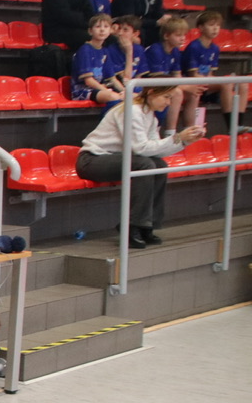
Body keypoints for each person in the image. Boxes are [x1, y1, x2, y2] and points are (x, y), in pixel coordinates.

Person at [75, 80, 203, 248]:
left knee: (159, 165)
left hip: (119, 159)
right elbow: (141, 148)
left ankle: (147, 225)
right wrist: (178, 137)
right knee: (145, 165)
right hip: (92, 160)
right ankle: (133, 225)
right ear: (151, 92)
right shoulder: (132, 111)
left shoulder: (150, 116)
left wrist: (184, 141)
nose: (168, 103)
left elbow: (156, 151)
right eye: (166, 97)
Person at [183, 10, 250, 131]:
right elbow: (193, 75)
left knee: (243, 85)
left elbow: (210, 74)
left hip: (206, 83)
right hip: (192, 83)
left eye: (218, 25)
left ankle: (238, 123)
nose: (215, 29)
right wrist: (220, 80)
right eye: (211, 25)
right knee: (226, 83)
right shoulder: (194, 47)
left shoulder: (215, 48)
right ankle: (231, 126)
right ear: (201, 27)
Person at [141, 17, 192, 134]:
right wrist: (185, 87)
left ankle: (191, 130)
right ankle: (170, 132)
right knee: (177, 92)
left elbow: (177, 75)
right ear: (166, 36)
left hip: (165, 84)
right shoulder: (155, 50)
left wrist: (189, 87)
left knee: (194, 93)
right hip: (149, 85)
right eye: (178, 35)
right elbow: (159, 79)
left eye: (184, 35)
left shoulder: (176, 51)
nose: (182, 38)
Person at [71, 14, 121, 104]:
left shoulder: (105, 51)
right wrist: (106, 91)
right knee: (113, 97)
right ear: (90, 31)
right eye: (98, 26)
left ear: (110, 30)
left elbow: (112, 79)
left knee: (131, 96)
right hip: (82, 90)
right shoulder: (85, 50)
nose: (102, 30)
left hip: (99, 88)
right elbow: (88, 81)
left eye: (106, 26)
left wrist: (126, 91)